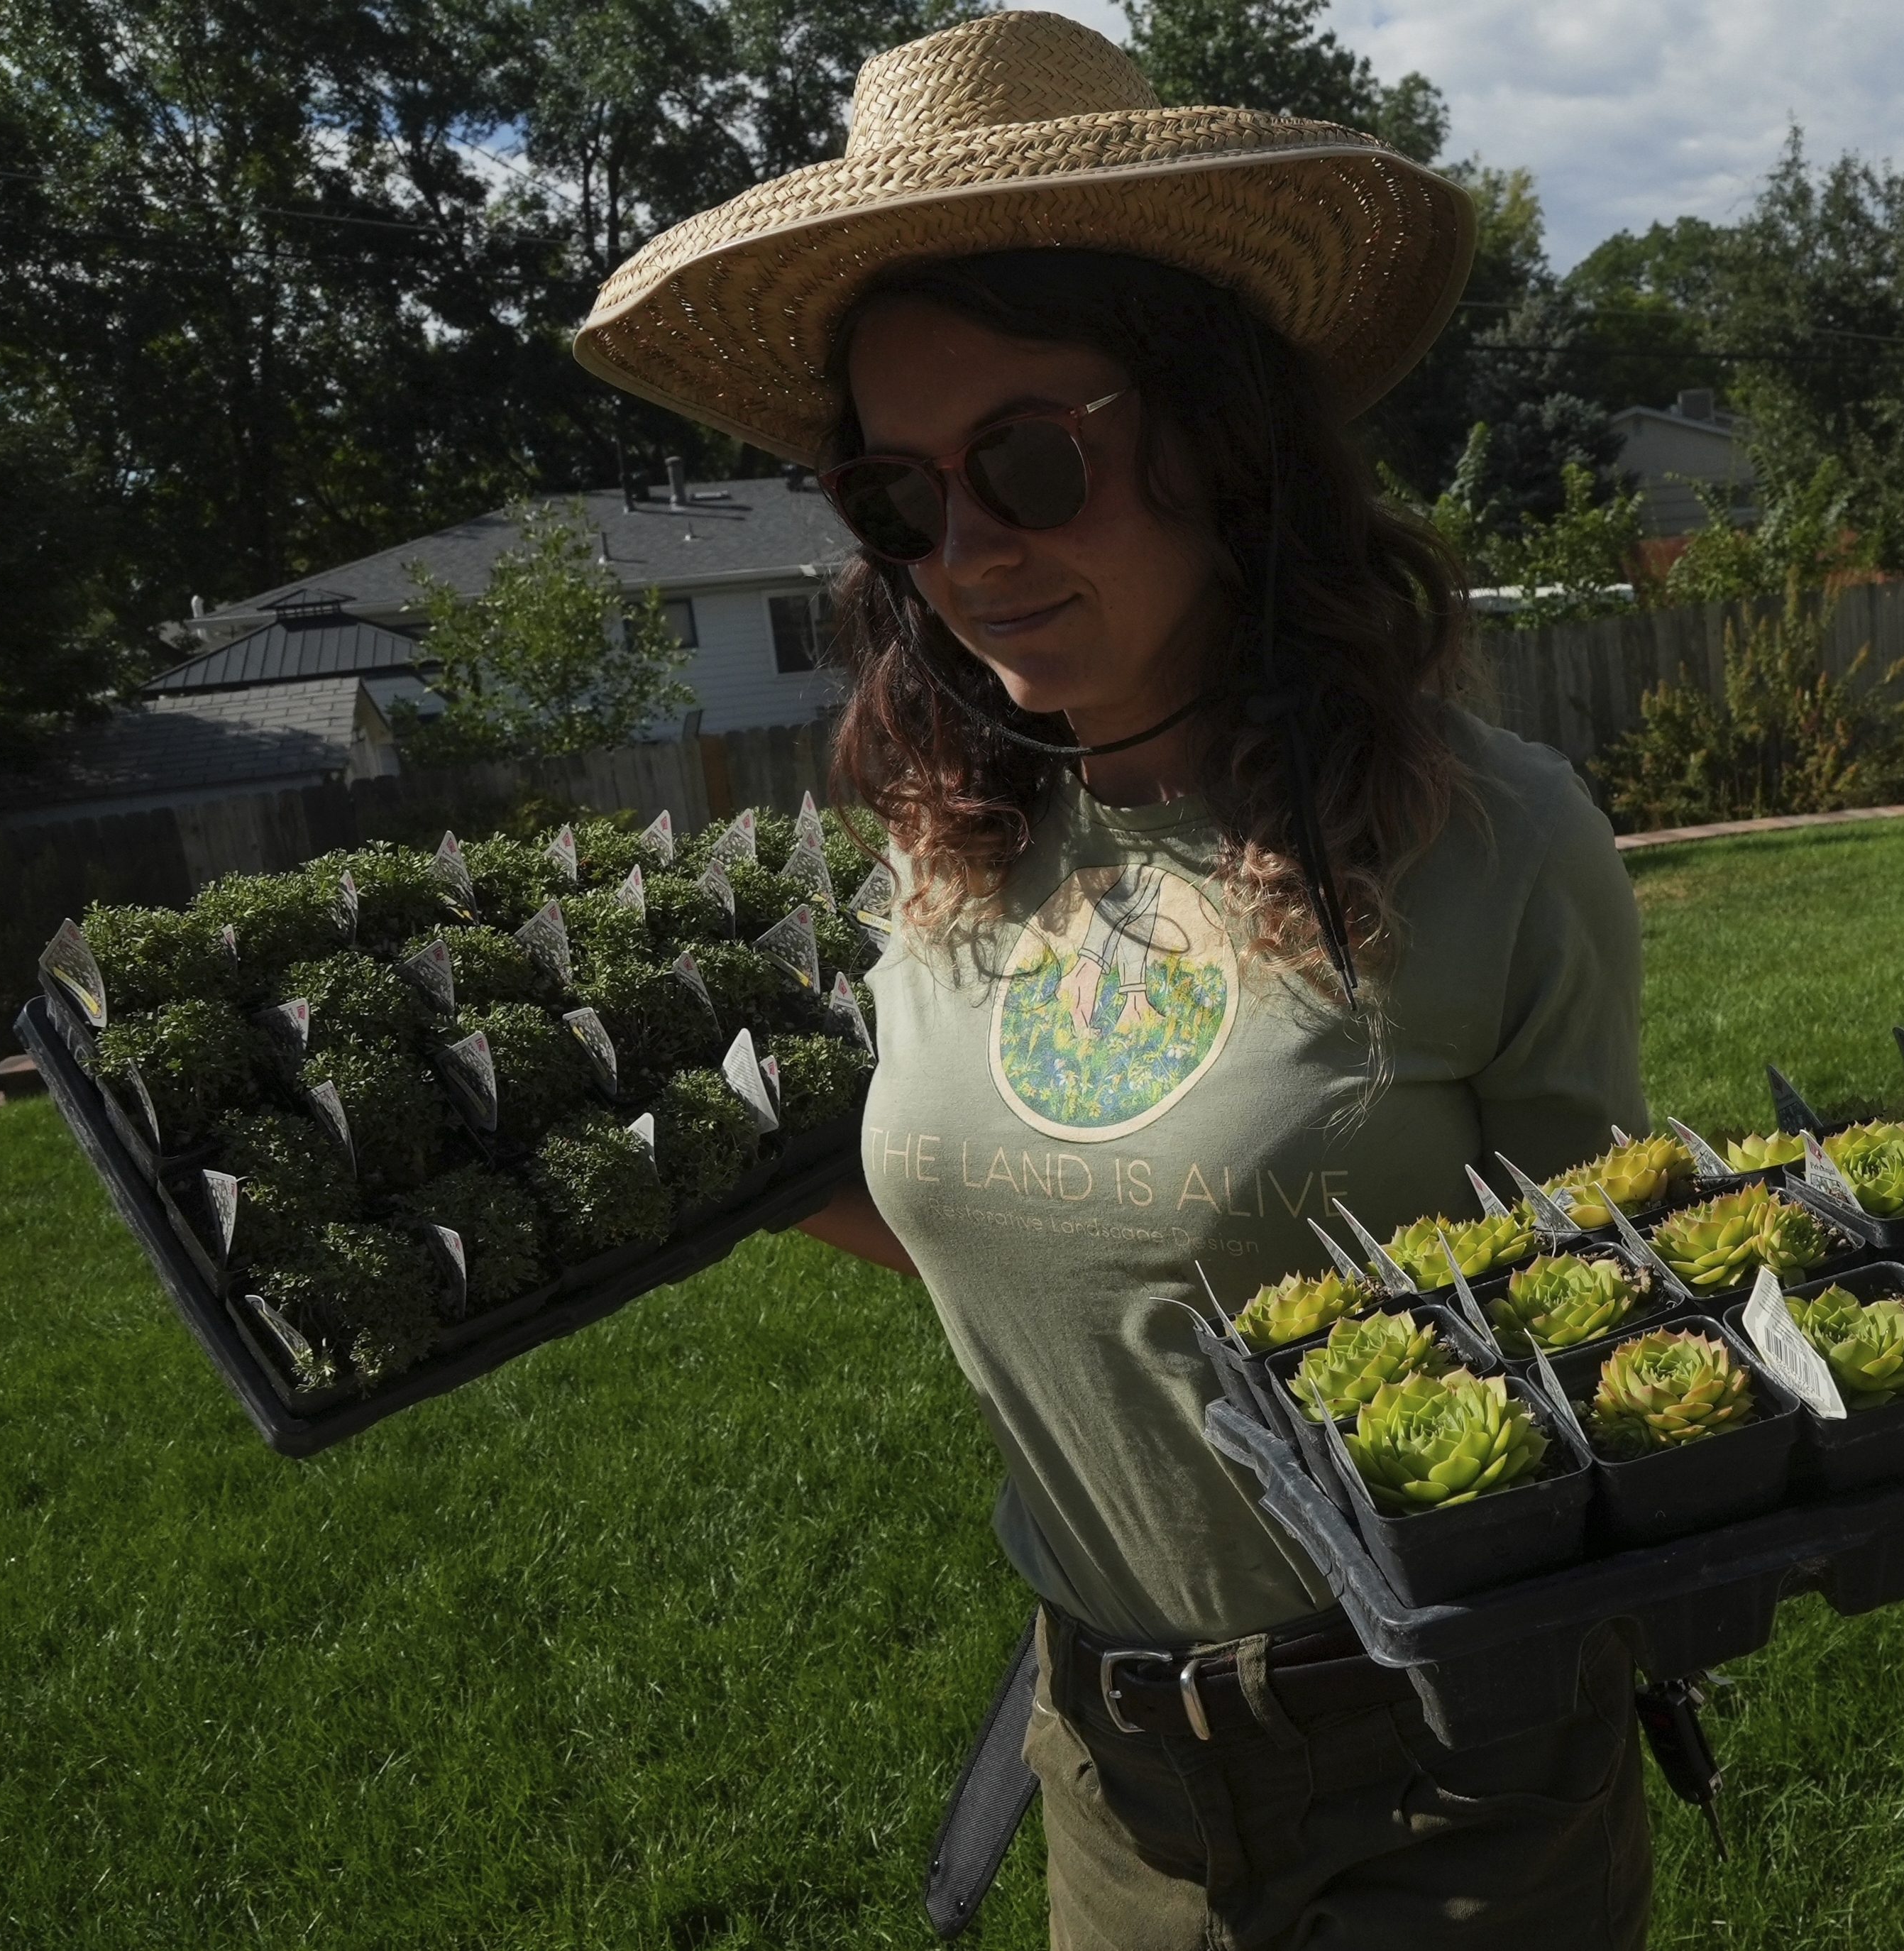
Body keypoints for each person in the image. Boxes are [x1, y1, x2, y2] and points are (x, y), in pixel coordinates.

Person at [576, 13, 1651, 1944]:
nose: (965, 551)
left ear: (1217, 437)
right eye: (899, 496)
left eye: (1024, 460)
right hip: (1108, 1763)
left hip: (1444, 1771)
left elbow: (1601, 1319)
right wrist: (636, 1173)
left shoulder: (1493, 840)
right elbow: (1044, 1223)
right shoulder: (941, 852)